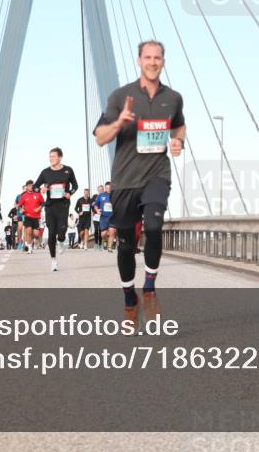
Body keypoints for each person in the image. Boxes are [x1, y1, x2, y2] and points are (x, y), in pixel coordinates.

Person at [94, 40, 185, 323]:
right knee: (125, 245)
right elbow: (100, 137)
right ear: (139, 60)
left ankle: (149, 288)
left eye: (158, 57)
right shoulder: (120, 96)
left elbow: (179, 124)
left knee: (155, 226)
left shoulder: (173, 98)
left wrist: (178, 140)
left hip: (157, 174)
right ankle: (129, 299)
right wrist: (120, 122)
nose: (153, 61)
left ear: (163, 62)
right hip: (124, 181)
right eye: (148, 57)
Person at [34, 148, 79, 271]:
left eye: (53, 156)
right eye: (50, 157)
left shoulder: (68, 170)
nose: (51, 159)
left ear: (60, 157)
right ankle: (53, 260)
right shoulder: (45, 172)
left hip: (63, 205)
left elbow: (75, 186)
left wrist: (70, 193)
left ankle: (61, 240)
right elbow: (35, 186)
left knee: (61, 231)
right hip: (50, 206)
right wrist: (41, 190)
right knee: (52, 232)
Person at [19, 178, 44, 254]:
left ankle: (30, 241)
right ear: (26, 187)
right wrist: (21, 209)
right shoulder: (23, 195)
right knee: (28, 231)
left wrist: (39, 208)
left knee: (36, 234)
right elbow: (20, 205)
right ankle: (29, 248)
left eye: (32, 186)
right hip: (27, 216)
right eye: (29, 186)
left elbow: (43, 203)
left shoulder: (38, 194)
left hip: (36, 217)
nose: (31, 187)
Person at [95, 183, 113, 251]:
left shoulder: (114, 195)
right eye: (107, 188)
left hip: (112, 216)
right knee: (103, 234)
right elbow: (96, 205)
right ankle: (105, 240)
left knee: (112, 231)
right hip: (103, 216)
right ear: (105, 188)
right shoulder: (101, 195)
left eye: (109, 188)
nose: (108, 189)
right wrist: (97, 210)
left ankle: (109, 247)